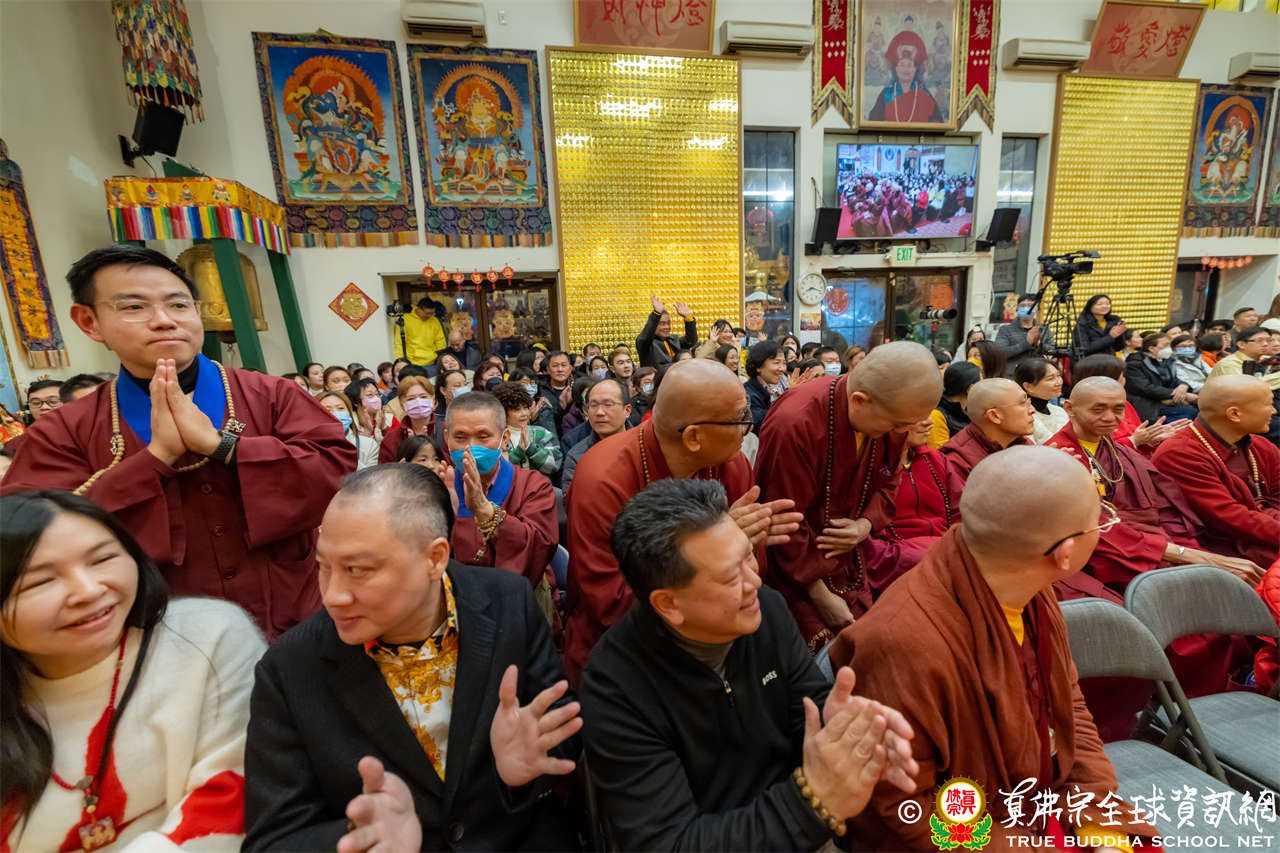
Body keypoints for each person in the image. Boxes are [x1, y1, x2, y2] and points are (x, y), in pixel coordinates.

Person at [1, 245, 356, 637]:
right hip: (154, 634)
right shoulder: (65, 430)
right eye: (134, 307)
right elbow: (26, 532)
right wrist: (155, 457)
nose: (164, 321)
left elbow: (336, 474)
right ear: (89, 322)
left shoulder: (272, 395)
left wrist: (223, 446)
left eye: (179, 305)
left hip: (295, 623)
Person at [829, 447, 1159, 850]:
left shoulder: (1024, 583)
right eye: (1100, 522)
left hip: (1036, 805)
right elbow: (903, 810)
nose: (1104, 526)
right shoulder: (903, 645)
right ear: (1065, 554)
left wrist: (1095, 814)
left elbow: (1068, 704)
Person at [242, 465, 581, 852]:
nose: (333, 595)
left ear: (435, 558)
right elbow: (273, 838)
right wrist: (358, 837)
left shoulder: (508, 603)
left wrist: (521, 770)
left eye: (357, 570)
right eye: (324, 567)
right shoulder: (289, 669)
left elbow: (560, 727)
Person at [580, 478, 919, 850]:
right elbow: (669, 843)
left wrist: (849, 733)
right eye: (731, 577)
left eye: (748, 556)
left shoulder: (766, 610)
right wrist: (813, 800)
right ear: (669, 604)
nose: (754, 581)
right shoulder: (616, 687)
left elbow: (807, 710)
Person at [0, 490, 265, 851]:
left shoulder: (206, 638)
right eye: (41, 581)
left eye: (103, 559)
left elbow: (233, 795)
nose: (88, 591)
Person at [563, 358, 800, 681]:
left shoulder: (731, 463)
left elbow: (752, 570)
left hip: (722, 629)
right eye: (739, 419)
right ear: (693, 438)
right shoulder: (602, 479)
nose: (748, 427)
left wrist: (745, 545)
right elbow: (611, 601)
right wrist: (720, 543)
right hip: (631, 655)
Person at [1047, 377, 1261, 703]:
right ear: (1069, 409)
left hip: (1151, 544)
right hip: (1098, 557)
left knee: (1217, 587)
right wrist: (1184, 555)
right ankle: (1182, 698)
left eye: (1118, 409)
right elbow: (1092, 529)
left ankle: (1234, 682)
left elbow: (1163, 508)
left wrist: (1188, 549)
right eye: (1098, 409)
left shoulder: (1119, 449)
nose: (1110, 418)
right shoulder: (1056, 457)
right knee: (1180, 605)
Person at [756, 342, 943, 649]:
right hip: (794, 571)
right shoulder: (795, 422)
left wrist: (864, 525)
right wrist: (819, 594)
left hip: (851, 557)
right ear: (859, 401)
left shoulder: (891, 417)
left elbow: (890, 482)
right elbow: (782, 518)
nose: (902, 433)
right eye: (898, 425)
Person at [1153, 375, 1279, 565]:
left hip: (1266, 532)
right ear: (1234, 414)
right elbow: (1228, 517)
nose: (1274, 410)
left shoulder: (1261, 446)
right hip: (1225, 549)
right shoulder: (1180, 453)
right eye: (1268, 404)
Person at [441, 392, 558, 591]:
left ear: (504, 439)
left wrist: (484, 510)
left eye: (483, 437)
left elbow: (539, 547)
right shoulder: (439, 488)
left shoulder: (533, 485)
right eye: (460, 437)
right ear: (446, 438)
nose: (470, 448)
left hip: (518, 595)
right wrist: (445, 516)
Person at [867, 415, 964, 595]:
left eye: (927, 415)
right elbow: (866, 537)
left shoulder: (935, 459)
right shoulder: (869, 465)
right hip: (894, 556)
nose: (928, 422)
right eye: (917, 417)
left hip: (943, 546)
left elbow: (961, 513)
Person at [1070, 354, 1178, 452]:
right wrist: (1133, 441)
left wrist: (1151, 438)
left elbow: (1138, 438)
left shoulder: (1124, 403)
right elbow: (1096, 452)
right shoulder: (1082, 409)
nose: (1124, 381)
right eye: (1121, 377)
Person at [940, 378, 1034, 483]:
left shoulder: (1020, 441)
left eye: (1028, 401)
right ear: (994, 416)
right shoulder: (958, 462)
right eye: (1022, 403)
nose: (1032, 410)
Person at [562, 378, 631, 492]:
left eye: (608, 404)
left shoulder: (643, 445)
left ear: (627, 410)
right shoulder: (577, 456)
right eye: (593, 405)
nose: (599, 412)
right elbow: (573, 499)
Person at [867, 30, 943, 123]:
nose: (906, 69)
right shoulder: (886, 94)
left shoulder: (924, 94)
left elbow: (938, 122)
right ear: (896, 69)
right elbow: (873, 121)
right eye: (902, 65)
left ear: (915, 70)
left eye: (910, 65)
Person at [493, 381, 562, 480]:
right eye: (517, 409)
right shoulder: (498, 437)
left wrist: (531, 449)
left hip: (539, 487)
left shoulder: (541, 433)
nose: (524, 413)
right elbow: (496, 471)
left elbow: (554, 464)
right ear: (504, 412)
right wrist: (518, 453)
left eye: (525, 408)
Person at [1125, 331, 1198, 423]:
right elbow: (1146, 388)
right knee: (1187, 415)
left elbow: (1175, 379)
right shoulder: (1135, 364)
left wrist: (1183, 385)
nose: (1169, 348)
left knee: (1196, 411)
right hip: (1148, 405)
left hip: (1167, 401)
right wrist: (1182, 395)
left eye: (1170, 345)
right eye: (1166, 345)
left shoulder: (1168, 360)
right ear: (1151, 348)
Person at [377, 375, 437, 464]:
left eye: (423, 397)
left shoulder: (446, 430)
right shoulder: (392, 438)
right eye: (411, 399)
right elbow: (384, 470)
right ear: (402, 404)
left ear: (433, 399)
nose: (418, 402)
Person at [995, 293, 1055, 376]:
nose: (1026, 308)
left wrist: (1039, 344)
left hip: (1038, 374)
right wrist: (1026, 343)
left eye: (1030, 305)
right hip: (1013, 375)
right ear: (1017, 307)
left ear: (1036, 307)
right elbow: (1000, 353)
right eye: (1022, 306)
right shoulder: (1005, 330)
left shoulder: (1044, 329)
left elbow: (1052, 350)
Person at [1014, 358, 1068, 445]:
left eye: (1058, 376)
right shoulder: (1021, 417)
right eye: (1050, 379)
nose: (1059, 382)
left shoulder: (1059, 411)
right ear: (1028, 386)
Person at [317, 391, 376, 471]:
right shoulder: (308, 445)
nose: (335, 413)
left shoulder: (368, 444)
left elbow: (372, 476)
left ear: (350, 413)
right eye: (326, 409)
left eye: (340, 408)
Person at [928, 361, 980, 448]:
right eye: (981, 383)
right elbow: (939, 453)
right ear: (971, 389)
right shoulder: (937, 415)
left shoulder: (972, 410)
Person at [636, 295, 697, 367]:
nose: (667, 327)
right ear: (654, 325)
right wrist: (656, 314)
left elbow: (691, 340)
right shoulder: (647, 344)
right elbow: (646, 335)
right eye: (662, 324)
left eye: (668, 323)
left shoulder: (674, 340)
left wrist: (688, 318)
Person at [743, 340, 786, 435]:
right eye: (776, 363)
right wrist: (789, 396)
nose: (782, 368)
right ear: (758, 366)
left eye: (784, 363)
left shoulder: (775, 389)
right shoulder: (747, 394)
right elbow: (766, 426)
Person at [393, 299, 446, 367]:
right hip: (412, 363)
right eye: (427, 313)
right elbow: (399, 343)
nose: (429, 316)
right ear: (418, 309)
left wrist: (441, 359)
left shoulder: (435, 321)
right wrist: (400, 361)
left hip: (432, 362)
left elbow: (440, 342)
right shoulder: (405, 320)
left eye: (432, 313)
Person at [1073, 293, 1128, 357]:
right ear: (1090, 307)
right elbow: (1084, 349)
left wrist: (1119, 335)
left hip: (1110, 359)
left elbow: (1118, 348)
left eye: (1107, 304)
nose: (1104, 306)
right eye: (1099, 304)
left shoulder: (1113, 321)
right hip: (1089, 360)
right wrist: (1110, 337)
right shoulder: (1082, 324)